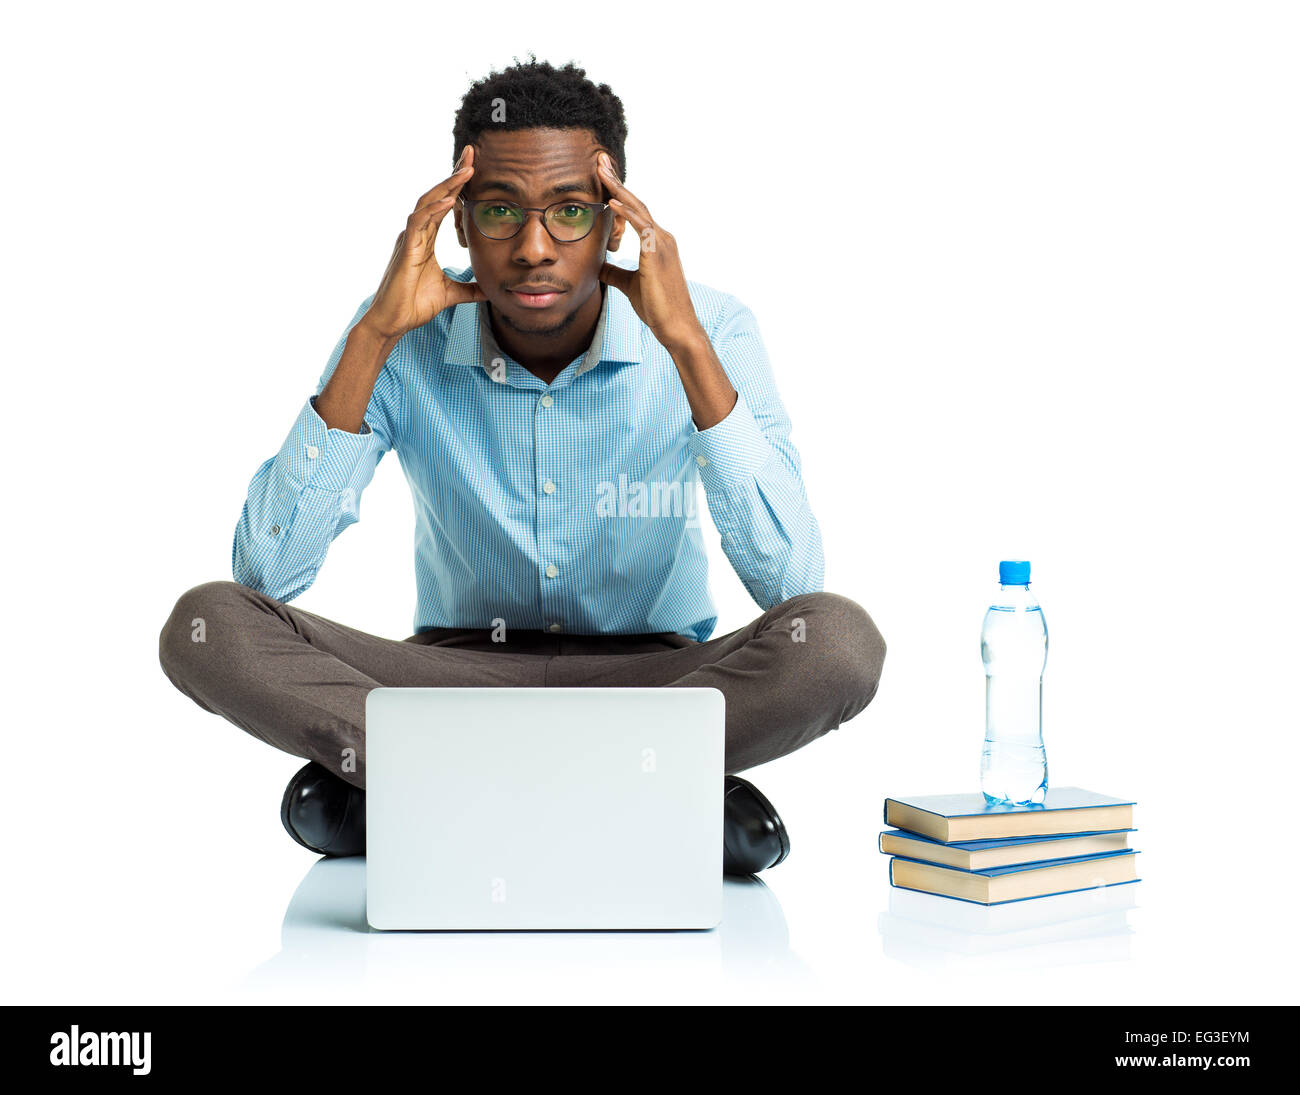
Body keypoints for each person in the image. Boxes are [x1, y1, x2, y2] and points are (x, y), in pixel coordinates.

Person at [158, 58, 886, 875]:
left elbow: (795, 583)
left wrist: (687, 348)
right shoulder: (399, 330)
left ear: (616, 224)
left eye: (570, 212)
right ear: (459, 223)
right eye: (500, 210)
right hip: (448, 682)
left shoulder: (710, 325)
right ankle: (650, 791)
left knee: (838, 643)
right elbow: (266, 573)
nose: (534, 248)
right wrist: (371, 341)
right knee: (208, 624)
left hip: (657, 682)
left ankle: (418, 788)